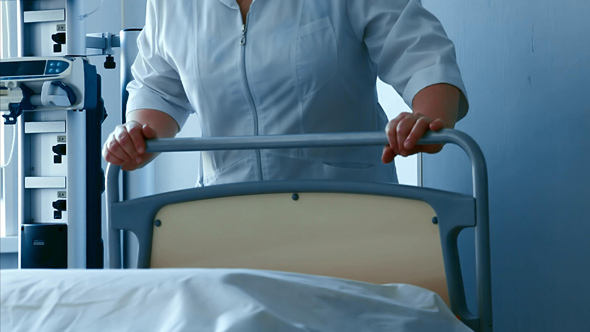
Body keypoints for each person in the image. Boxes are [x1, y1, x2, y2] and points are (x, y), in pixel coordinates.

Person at [103, 0, 468, 186]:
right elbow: (159, 87)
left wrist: (427, 120)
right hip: (225, 217)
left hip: (348, 215)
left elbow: (421, 53)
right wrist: (137, 135)